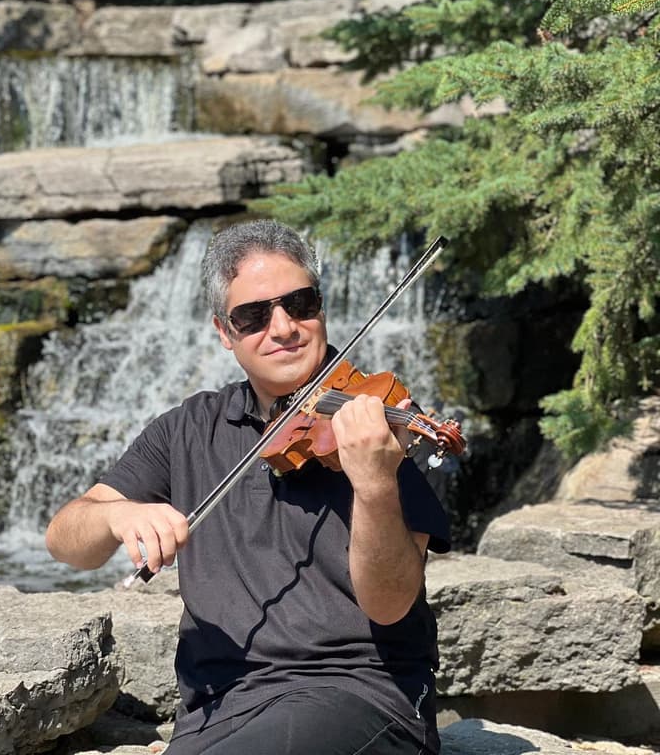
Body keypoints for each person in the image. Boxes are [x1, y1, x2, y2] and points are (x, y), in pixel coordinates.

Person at [45, 219, 450, 755]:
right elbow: (65, 542)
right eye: (254, 316)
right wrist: (115, 516)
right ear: (224, 331)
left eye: (300, 304)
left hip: (360, 694)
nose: (283, 328)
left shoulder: (380, 426)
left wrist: (375, 483)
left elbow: (391, 604)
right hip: (218, 712)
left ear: (321, 307)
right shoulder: (188, 429)